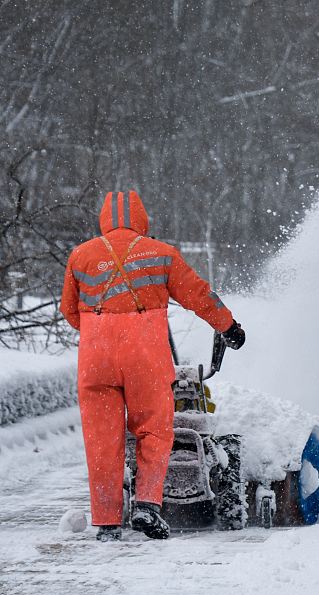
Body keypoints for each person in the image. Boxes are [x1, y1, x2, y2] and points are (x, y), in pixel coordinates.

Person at [60, 190, 246, 542]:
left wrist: (103, 331)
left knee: (102, 441)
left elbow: (69, 310)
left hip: (96, 359)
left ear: (104, 218)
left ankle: (108, 522)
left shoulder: (81, 255)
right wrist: (229, 327)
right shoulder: (161, 253)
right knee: (153, 430)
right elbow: (198, 294)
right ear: (142, 218)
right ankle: (146, 505)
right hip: (144, 357)